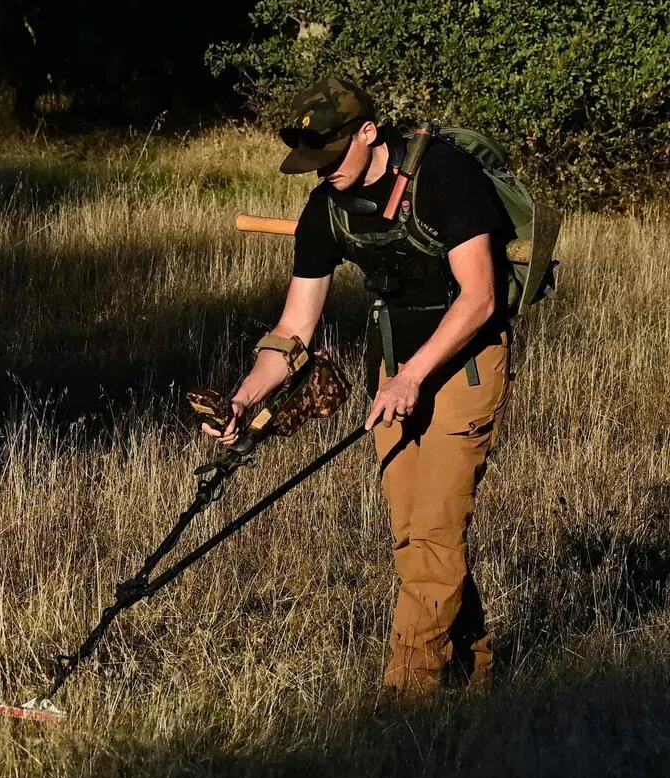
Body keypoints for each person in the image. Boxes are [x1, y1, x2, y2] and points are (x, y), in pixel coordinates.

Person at [204, 76, 513, 703]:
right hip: (393, 371)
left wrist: (414, 375)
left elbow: (480, 298)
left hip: (465, 366)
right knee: (412, 532)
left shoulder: (446, 177)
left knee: (433, 533)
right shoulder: (327, 208)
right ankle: (476, 669)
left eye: (330, 157)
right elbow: (295, 328)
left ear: (368, 133)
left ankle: (407, 699)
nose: (323, 174)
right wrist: (243, 399)